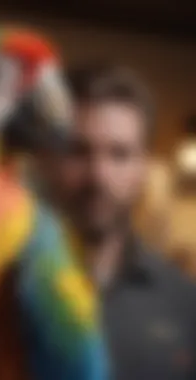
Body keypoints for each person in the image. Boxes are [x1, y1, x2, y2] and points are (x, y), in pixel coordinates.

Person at [36, 63, 196, 380]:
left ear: (142, 169)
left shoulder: (184, 302)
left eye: (120, 154)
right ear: (45, 160)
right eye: (78, 151)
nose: (99, 175)